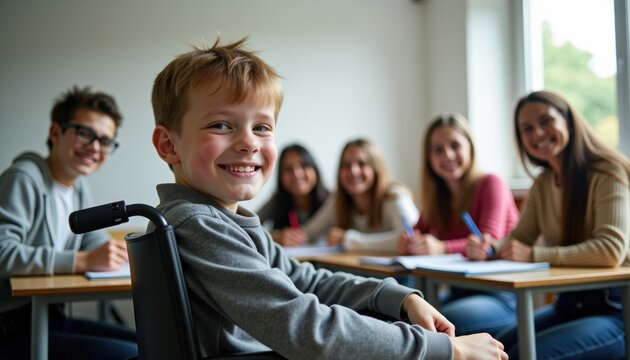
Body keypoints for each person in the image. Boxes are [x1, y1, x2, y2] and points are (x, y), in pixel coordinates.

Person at [149, 37, 507, 359]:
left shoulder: (223, 218)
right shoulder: (198, 222)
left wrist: (399, 297)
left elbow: (307, 281)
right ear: (169, 145)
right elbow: (305, 328)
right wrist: (446, 351)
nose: (249, 142)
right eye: (221, 125)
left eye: (262, 127)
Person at [467, 90, 630, 359]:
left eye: (546, 121)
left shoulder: (608, 170)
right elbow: (521, 237)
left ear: (569, 121)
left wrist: (535, 255)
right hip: (567, 305)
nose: (538, 133)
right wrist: (491, 248)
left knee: (525, 355)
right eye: (527, 128)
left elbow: (610, 250)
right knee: (493, 351)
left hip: (614, 310)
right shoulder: (543, 183)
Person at [0, 86, 137, 359]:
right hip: (12, 328)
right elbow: (3, 253)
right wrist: (83, 261)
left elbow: (91, 239)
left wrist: (116, 253)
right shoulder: (24, 178)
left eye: (105, 141)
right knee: (136, 353)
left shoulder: (78, 187)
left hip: (49, 317)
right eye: (85, 133)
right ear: (55, 132)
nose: (95, 147)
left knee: (152, 342)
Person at [397, 113, 519, 336]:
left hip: (501, 296)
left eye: (455, 145)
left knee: (427, 327)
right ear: (428, 157)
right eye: (438, 150)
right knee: (402, 317)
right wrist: (410, 243)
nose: (448, 155)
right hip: (459, 293)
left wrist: (442, 248)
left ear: (470, 148)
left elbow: (487, 243)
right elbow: (418, 231)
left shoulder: (492, 183)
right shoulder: (438, 197)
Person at [304, 138, 420, 251]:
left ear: (376, 168)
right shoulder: (338, 200)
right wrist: (290, 236)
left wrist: (349, 240)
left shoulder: (394, 196)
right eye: (346, 165)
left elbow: (410, 239)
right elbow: (308, 233)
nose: (353, 171)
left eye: (361, 163)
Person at [257, 143, 329, 246]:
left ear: (315, 170)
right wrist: (275, 237)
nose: (297, 174)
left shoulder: (333, 201)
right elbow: (247, 227)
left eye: (304, 166)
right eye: (288, 169)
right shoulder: (277, 201)